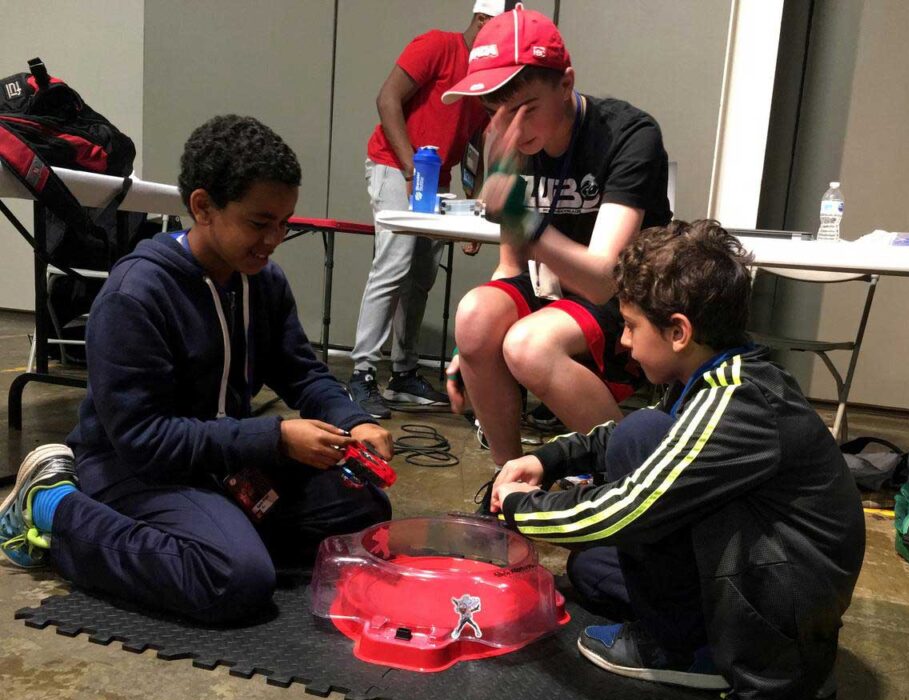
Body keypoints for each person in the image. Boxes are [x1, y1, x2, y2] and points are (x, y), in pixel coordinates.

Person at [0, 115, 393, 624]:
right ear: (203, 207)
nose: (274, 238)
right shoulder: (136, 295)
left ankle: (216, 532)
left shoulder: (262, 281)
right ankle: (53, 509)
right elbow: (145, 441)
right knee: (234, 579)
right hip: (133, 467)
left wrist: (353, 419)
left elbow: (301, 372)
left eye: (284, 222)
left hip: (217, 460)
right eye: (259, 222)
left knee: (363, 509)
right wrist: (274, 439)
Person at [489, 221, 866, 700]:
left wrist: (518, 508)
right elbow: (633, 451)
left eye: (630, 326)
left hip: (778, 631)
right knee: (591, 568)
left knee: (637, 443)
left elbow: (627, 507)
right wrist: (551, 460)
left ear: (678, 331)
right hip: (766, 578)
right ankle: (692, 626)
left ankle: (691, 653)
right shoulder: (717, 371)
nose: (623, 341)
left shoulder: (739, 402)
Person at [441, 3, 673, 472]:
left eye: (527, 108)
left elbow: (606, 280)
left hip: (629, 299)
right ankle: (509, 484)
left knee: (528, 345)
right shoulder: (509, 137)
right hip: (554, 290)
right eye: (496, 110)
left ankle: (632, 479)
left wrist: (522, 219)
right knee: (473, 317)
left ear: (566, 83)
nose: (512, 126)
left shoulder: (628, 134)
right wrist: (469, 348)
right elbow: (510, 268)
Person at [349, 0, 501, 419]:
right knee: (393, 263)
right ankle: (361, 374)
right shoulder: (438, 45)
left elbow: (474, 149)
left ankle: (403, 373)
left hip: (439, 179)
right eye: (503, 27)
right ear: (484, 20)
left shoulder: (485, 80)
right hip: (396, 164)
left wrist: (476, 210)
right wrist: (410, 168)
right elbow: (387, 99)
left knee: (420, 277)